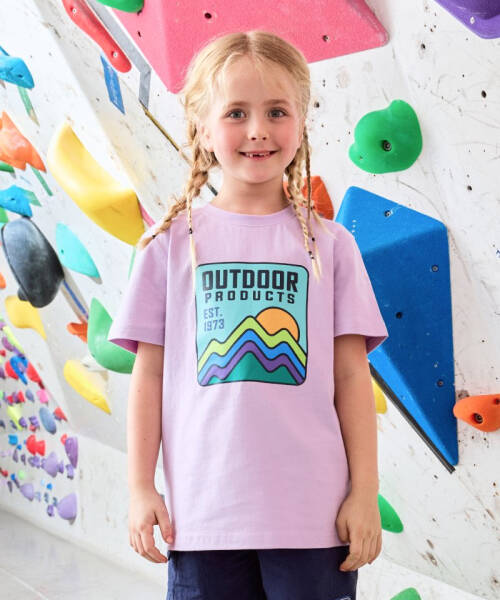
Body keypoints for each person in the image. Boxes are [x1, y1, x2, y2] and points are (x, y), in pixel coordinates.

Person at [107, 29, 389, 600]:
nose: (258, 129)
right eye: (236, 112)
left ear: (301, 122)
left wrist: (364, 493)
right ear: (201, 126)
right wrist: (140, 487)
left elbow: (352, 376)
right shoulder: (168, 246)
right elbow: (149, 376)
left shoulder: (332, 247)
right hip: (203, 516)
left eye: (276, 111)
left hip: (314, 517)